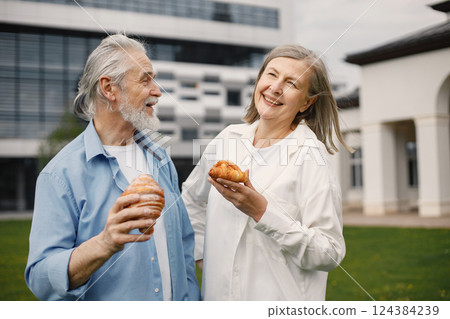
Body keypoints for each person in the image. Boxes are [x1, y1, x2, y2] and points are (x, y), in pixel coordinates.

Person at [25, 34, 200, 301]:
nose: (157, 91)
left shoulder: (161, 159)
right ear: (109, 89)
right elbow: (41, 279)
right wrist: (104, 244)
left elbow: (184, 248)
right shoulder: (60, 175)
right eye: (145, 79)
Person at [182, 44, 352, 301]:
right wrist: (201, 253)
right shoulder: (227, 139)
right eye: (271, 74)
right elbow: (192, 199)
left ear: (307, 102)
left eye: (292, 83)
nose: (275, 87)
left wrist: (262, 212)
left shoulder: (311, 156)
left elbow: (328, 252)